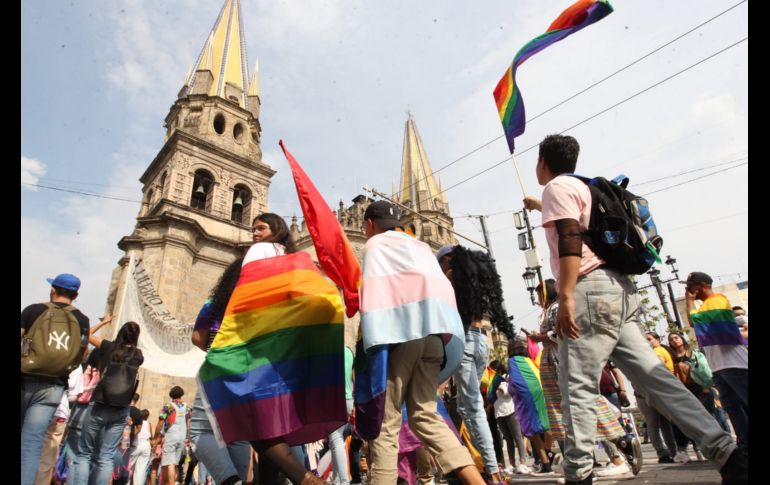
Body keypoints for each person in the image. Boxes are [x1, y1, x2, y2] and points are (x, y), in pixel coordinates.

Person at [522, 133, 747, 485]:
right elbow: (581, 222)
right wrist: (538, 205)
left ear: (542, 162)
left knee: (577, 388)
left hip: (588, 291)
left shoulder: (557, 189)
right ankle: (727, 454)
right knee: (658, 379)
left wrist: (565, 294)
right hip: (621, 291)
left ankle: (578, 474)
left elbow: (569, 236)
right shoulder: (586, 186)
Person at [197, 212, 347, 485]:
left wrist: (222, 350)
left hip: (248, 359)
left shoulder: (258, 256)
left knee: (254, 426)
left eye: (261, 227)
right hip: (279, 361)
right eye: (253, 228)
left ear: (276, 230)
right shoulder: (295, 262)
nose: (255, 233)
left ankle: (303, 478)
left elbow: (200, 337)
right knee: (272, 428)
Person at [359, 201, 484, 485]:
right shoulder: (421, 247)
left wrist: (372, 349)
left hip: (401, 335)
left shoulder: (375, 246)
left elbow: (374, 298)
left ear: (369, 225)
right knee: (425, 417)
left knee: (387, 424)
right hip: (437, 337)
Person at [435, 244, 513, 485]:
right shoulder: (476, 276)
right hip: (480, 340)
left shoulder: (453, 277)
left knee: (471, 408)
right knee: (467, 405)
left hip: (466, 340)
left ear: (448, 260)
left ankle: (492, 471)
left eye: (440, 263)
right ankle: (485, 465)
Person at [189, 256, 254, 485]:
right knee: (239, 435)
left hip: (218, 368)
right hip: (248, 372)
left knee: (200, 431)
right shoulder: (258, 301)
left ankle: (230, 481)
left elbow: (197, 337)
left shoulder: (216, 302)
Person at [21, 273, 91, 485]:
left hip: (25, 379)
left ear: (53, 290)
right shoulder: (82, 320)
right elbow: (82, 354)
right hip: (54, 386)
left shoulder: (33, 310)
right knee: (32, 444)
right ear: (76, 295)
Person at [71, 321, 145, 485]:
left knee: (84, 453)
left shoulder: (108, 347)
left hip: (101, 404)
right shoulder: (138, 355)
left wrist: (103, 322)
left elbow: (87, 334)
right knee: (106, 456)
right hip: (121, 408)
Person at [684, 272, 748, 452]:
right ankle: (744, 445)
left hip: (735, 364)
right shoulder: (704, 307)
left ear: (702, 285)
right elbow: (695, 321)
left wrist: (689, 302)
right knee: (732, 408)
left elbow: (694, 321)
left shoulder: (718, 301)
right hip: (718, 367)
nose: (689, 291)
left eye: (691, 286)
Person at [152, 386, 191, 485]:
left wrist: (156, 436)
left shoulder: (168, 406)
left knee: (169, 463)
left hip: (171, 436)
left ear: (171, 395)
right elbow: (188, 423)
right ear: (181, 394)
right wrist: (187, 436)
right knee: (174, 464)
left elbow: (161, 421)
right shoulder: (187, 407)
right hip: (182, 437)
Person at [130, 409, 153, 485]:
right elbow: (151, 436)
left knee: (128, 467)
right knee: (140, 470)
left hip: (137, 444)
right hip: (146, 445)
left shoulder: (138, 422)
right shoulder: (149, 424)